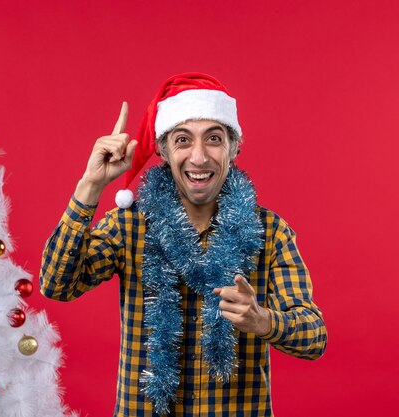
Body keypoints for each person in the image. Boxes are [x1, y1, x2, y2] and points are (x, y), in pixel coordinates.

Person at [39, 73, 327, 417]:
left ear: (235, 147)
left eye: (214, 139)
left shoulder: (270, 231)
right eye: (183, 140)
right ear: (163, 148)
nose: (199, 157)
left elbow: (315, 337)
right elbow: (56, 284)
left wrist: (263, 320)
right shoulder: (129, 225)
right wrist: (90, 185)